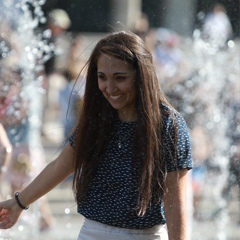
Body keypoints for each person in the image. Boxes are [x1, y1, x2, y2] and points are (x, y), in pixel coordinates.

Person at [0, 31, 193, 239]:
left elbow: (175, 202)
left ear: (141, 75)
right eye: (102, 77)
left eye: (120, 78)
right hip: (92, 233)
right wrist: (19, 203)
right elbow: (59, 166)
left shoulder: (168, 124)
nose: (110, 88)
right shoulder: (97, 119)